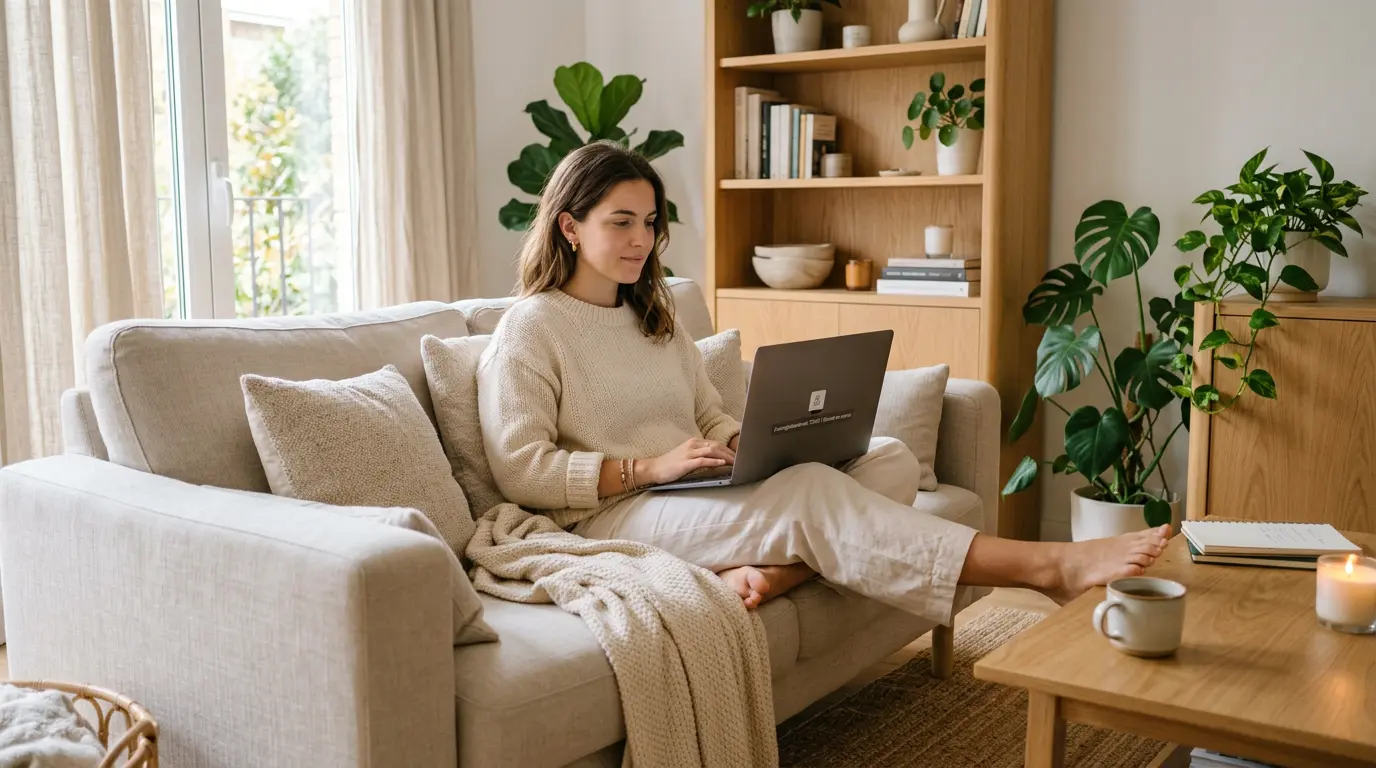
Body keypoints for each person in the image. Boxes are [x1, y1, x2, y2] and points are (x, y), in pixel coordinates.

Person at [475, 140, 1170, 624]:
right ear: (569, 225)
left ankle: (781, 570)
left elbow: (706, 412)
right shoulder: (531, 329)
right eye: (620, 221)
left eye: (650, 222)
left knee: (890, 456)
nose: (639, 239)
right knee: (810, 493)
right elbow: (522, 468)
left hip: (689, 490)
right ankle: (1050, 567)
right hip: (611, 515)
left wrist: (740, 440)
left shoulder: (654, 316)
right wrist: (646, 466)